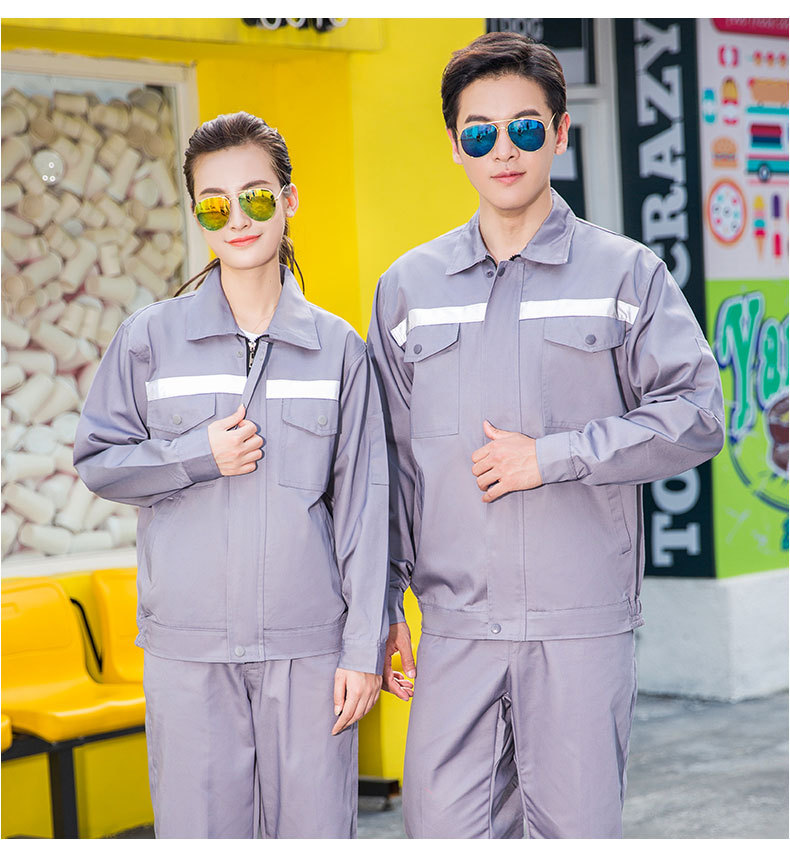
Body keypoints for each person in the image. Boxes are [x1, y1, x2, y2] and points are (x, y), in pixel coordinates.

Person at [367, 33, 725, 839]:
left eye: (525, 128)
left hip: (580, 626)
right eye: (480, 133)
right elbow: (387, 466)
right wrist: (382, 602)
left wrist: (554, 455)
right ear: (454, 145)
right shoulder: (408, 289)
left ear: (561, 134)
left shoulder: (626, 274)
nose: (504, 150)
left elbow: (698, 412)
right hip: (455, 627)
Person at [74, 111, 389, 838]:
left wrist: (361, 649)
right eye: (215, 205)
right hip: (189, 655)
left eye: (256, 197)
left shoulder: (338, 348)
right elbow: (100, 461)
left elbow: (365, 509)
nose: (238, 219)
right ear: (198, 216)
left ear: (289, 200)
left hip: (309, 652)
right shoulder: (150, 339)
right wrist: (194, 455)